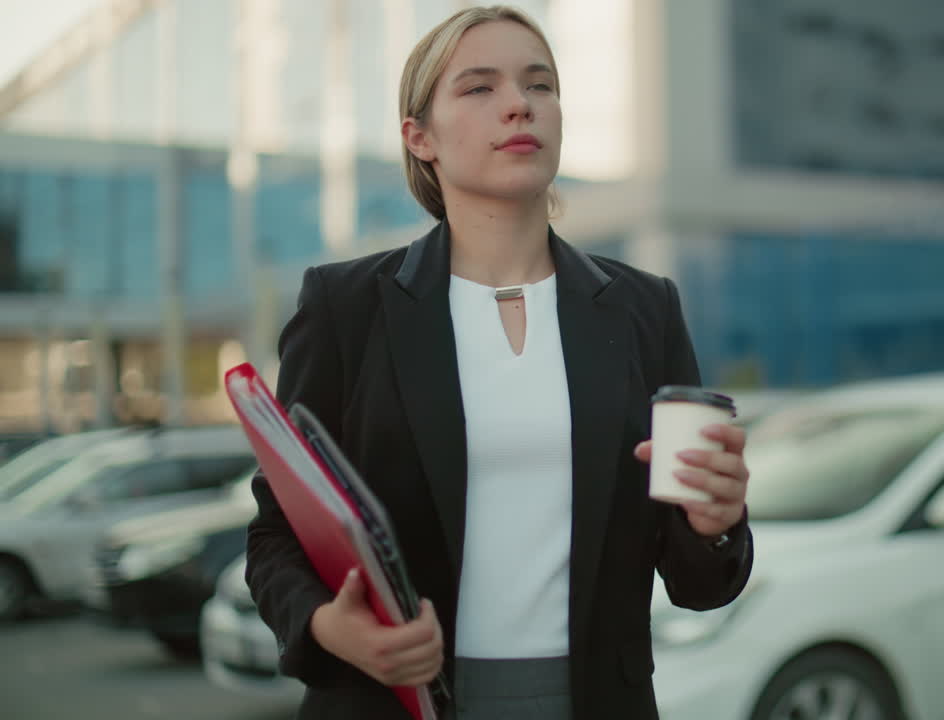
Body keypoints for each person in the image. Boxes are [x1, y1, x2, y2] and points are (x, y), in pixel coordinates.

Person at [244, 6, 753, 719]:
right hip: (392, 702)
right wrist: (331, 628)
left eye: (539, 85)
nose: (520, 104)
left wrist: (715, 522)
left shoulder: (645, 309)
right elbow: (276, 534)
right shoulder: (345, 307)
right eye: (480, 87)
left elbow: (699, 583)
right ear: (419, 137)